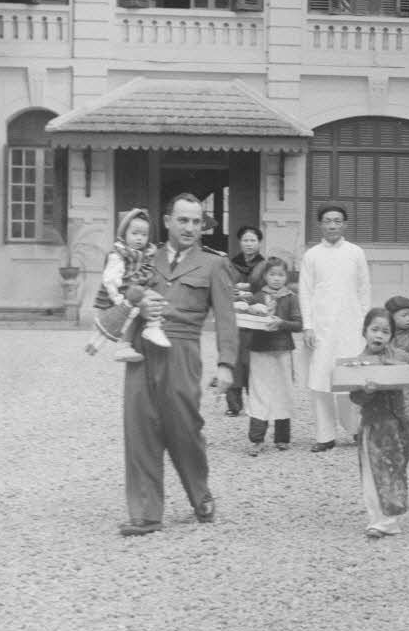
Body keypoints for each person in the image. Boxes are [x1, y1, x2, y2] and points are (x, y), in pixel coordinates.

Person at [117, 193, 238, 536]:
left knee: (184, 428)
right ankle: (145, 513)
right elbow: (123, 294)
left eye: (197, 222)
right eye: (183, 220)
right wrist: (135, 306)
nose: (190, 228)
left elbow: (227, 318)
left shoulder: (214, 264)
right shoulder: (144, 256)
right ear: (168, 221)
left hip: (182, 351)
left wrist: (227, 364)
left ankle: (200, 495)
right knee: (140, 427)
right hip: (143, 348)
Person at [299, 204, 371, 453]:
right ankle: (325, 436)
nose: (332, 225)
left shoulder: (356, 253)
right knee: (320, 381)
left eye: (337, 221)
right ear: (320, 224)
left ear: (345, 224)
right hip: (321, 327)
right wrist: (308, 326)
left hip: (352, 326)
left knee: (350, 380)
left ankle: (356, 430)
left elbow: (364, 290)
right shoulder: (312, 255)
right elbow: (305, 293)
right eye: (327, 221)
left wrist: (366, 325)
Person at [347, 307, 409, 538]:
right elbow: (355, 397)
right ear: (364, 331)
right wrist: (366, 391)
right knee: (372, 472)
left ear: (391, 335)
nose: (379, 335)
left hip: (397, 425)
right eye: (374, 329)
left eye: (385, 331)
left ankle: (392, 517)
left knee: (395, 469)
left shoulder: (400, 357)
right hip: (372, 425)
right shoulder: (357, 363)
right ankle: (378, 520)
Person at [84, 207, 171, 362]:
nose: (139, 238)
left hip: (135, 288)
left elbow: (149, 268)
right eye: (135, 233)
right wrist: (117, 297)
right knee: (121, 317)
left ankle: (153, 326)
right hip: (120, 290)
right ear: (124, 233)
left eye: (144, 235)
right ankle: (123, 346)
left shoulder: (145, 253)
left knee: (155, 298)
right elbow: (110, 278)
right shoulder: (119, 253)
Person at [245, 258, 302, 453]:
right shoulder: (257, 297)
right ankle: (256, 438)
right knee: (259, 390)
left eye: (281, 275)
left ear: (287, 277)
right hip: (259, 349)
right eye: (272, 274)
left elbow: (298, 324)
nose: (276, 279)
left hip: (282, 349)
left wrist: (282, 323)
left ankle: (282, 437)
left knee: (283, 390)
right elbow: (245, 320)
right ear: (264, 276)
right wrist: (251, 312)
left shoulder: (291, 297)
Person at [224, 225, 270, 416]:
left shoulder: (265, 265)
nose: (249, 244)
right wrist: (235, 292)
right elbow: (223, 285)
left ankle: (257, 403)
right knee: (233, 357)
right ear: (240, 242)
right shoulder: (230, 263)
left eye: (253, 240)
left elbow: (269, 289)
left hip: (255, 315)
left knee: (253, 360)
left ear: (259, 243)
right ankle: (234, 405)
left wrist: (251, 297)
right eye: (245, 240)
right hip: (234, 313)